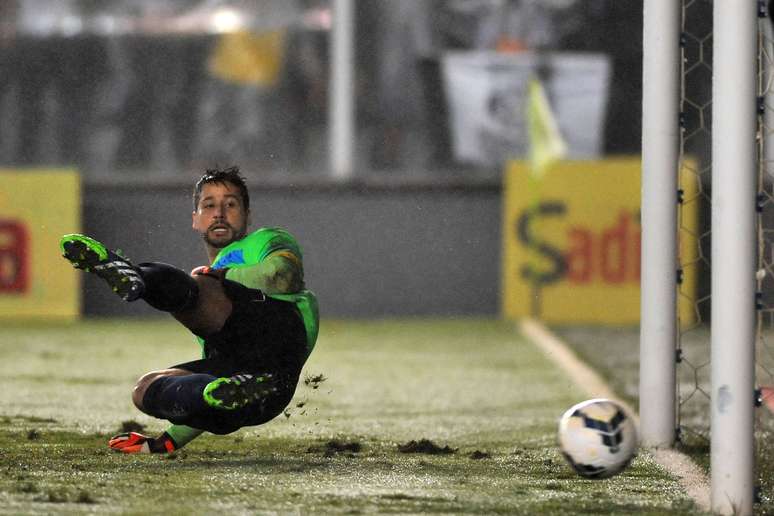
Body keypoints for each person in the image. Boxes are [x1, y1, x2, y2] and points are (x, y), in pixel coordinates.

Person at [59, 166, 319, 453]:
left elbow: (281, 276)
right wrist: (164, 443)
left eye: (230, 204)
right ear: (195, 219)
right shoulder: (210, 286)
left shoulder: (265, 241)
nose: (219, 213)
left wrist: (221, 275)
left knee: (197, 288)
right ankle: (215, 391)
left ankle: (136, 276)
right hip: (258, 396)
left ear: (248, 215)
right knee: (146, 389)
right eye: (209, 205)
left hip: (279, 338)